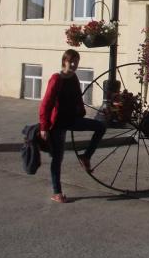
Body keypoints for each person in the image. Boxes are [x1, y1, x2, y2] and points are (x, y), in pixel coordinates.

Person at [39, 49, 106, 203]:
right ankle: (57, 192)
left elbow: (77, 98)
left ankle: (85, 157)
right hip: (57, 124)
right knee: (58, 158)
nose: (74, 64)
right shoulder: (56, 79)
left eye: (77, 61)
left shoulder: (74, 77)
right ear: (65, 61)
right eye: (71, 61)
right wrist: (44, 127)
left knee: (100, 127)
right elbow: (46, 104)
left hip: (72, 119)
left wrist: (82, 112)